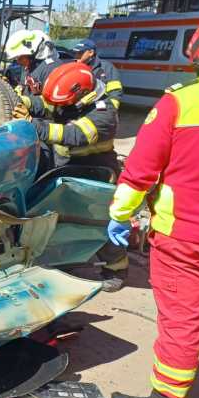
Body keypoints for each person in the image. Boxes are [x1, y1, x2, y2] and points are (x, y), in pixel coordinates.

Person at [107, 20, 199, 398]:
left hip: (185, 239)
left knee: (182, 320)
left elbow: (139, 172)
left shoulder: (180, 103)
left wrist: (119, 216)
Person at [15, 62, 127, 292]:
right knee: (61, 219)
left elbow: (71, 134)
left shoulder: (104, 114)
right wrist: (19, 101)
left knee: (97, 223)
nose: (59, 107)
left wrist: (32, 125)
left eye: (63, 102)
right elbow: (44, 104)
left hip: (96, 176)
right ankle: (67, 258)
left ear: (81, 95)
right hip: (69, 170)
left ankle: (116, 269)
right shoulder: (71, 101)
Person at [4, 29, 63, 97]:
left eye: (20, 58)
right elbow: (24, 86)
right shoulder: (29, 67)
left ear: (32, 54)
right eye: (16, 58)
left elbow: (53, 99)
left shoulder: (52, 69)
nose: (18, 62)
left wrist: (28, 101)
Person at [73, 38, 123, 109]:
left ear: (91, 53)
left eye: (80, 53)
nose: (76, 56)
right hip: (78, 107)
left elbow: (115, 91)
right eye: (75, 53)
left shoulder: (106, 67)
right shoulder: (73, 68)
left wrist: (109, 109)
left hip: (99, 106)